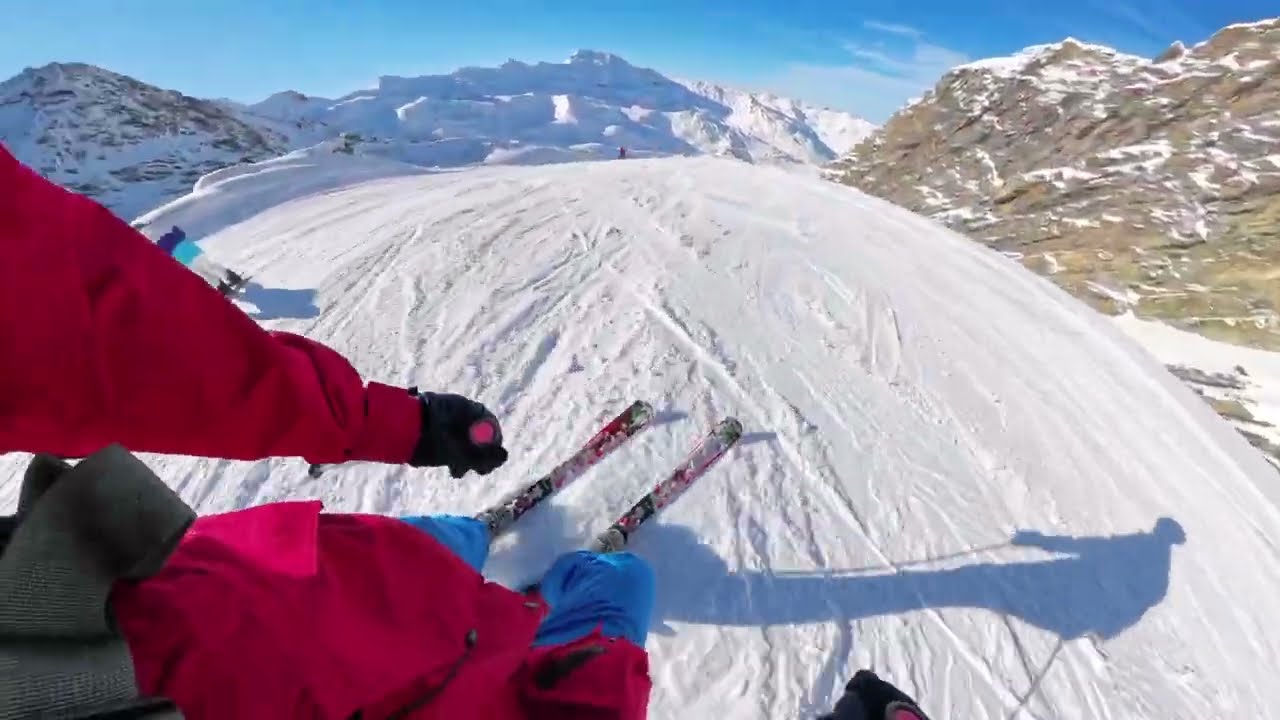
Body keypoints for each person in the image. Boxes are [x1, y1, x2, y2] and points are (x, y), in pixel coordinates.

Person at [0, 142, 933, 719]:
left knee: (397, 570)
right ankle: (563, 582)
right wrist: (389, 423)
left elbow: (81, 327)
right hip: (137, 631)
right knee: (559, 595)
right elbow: (96, 328)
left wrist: (392, 423)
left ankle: (501, 568)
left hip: (131, 630)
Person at [151, 223, 250, 298]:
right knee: (211, 266)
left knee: (206, 274)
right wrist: (175, 230)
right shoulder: (173, 236)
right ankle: (233, 278)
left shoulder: (161, 247)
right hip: (195, 253)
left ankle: (225, 289)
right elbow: (181, 234)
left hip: (188, 261)